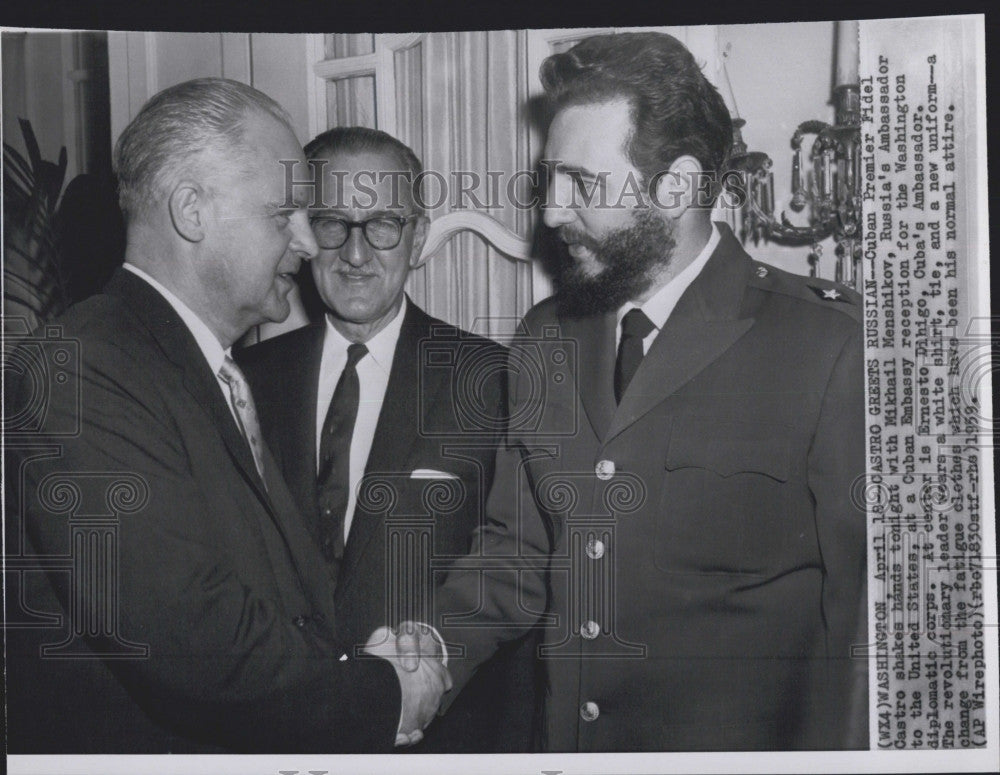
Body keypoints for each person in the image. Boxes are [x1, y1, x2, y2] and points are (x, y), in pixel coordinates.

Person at [398, 31, 868, 751]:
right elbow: (517, 552)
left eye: (580, 184)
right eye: (548, 180)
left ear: (677, 186)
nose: (551, 214)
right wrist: (429, 651)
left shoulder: (830, 345)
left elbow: (867, 626)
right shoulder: (546, 336)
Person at [3, 78, 448, 753]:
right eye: (284, 214)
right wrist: (385, 690)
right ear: (191, 210)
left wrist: (356, 664)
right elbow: (191, 636)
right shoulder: (81, 368)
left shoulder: (200, 365)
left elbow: (275, 600)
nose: (308, 242)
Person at [237, 126, 538, 752]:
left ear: (418, 237)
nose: (355, 253)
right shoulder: (247, 381)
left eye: (383, 224)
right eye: (331, 223)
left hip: (436, 738)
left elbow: (515, 564)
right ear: (299, 232)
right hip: (277, 729)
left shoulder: (491, 381)